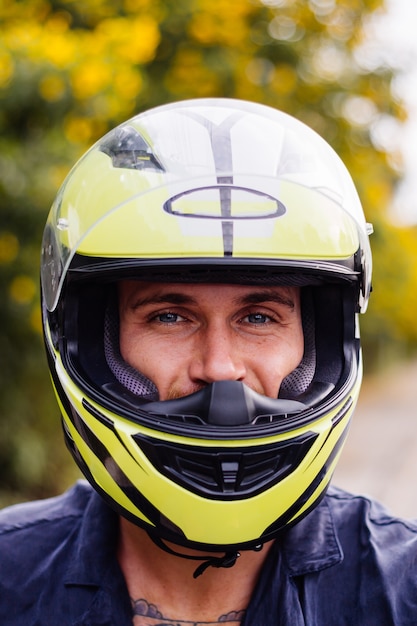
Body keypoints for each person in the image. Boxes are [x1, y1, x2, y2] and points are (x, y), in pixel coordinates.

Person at [1, 98, 416, 625]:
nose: (220, 368)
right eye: (170, 317)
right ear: (94, 339)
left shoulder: (404, 590)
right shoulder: (8, 577)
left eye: (260, 318)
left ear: (322, 344)